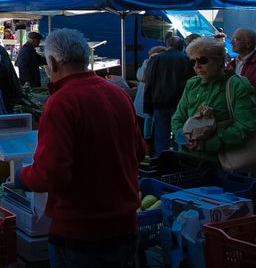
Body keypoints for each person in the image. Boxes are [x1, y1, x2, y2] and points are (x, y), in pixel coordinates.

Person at [16, 28, 146, 267]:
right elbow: (139, 152)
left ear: (53, 62)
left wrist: (22, 175)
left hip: (80, 234)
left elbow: (50, 174)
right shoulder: (118, 94)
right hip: (125, 227)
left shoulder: (61, 103)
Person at [171, 37, 256, 160]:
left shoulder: (237, 85)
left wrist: (208, 144)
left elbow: (247, 126)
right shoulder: (192, 84)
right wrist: (183, 138)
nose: (197, 66)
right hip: (188, 160)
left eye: (203, 60)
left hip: (222, 163)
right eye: (192, 62)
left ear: (219, 61)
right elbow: (178, 117)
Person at [143, 36, 195, 156]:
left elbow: (148, 83)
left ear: (168, 45)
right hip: (180, 104)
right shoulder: (186, 59)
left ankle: (162, 163)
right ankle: (178, 162)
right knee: (180, 136)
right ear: (181, 46)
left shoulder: (156, 59)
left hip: (160, 103)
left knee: (161, 138)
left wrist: (148, 106)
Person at [134, 46, 167, 140]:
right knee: (145, 126)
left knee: (149, 128)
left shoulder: (154, 65)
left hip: (150, 103)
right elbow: (141, 77)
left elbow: (141, 77)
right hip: (144, 103)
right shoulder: (147, 64)